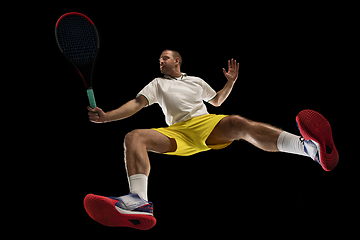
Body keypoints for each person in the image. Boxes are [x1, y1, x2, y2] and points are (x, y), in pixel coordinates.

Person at [83, 50, 339, 230]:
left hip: (205, 125)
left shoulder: (195, 81)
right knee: (134, 137)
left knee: (238, 123)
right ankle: (139, 201)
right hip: (177, 132)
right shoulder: (157, 84)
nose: (160, 61)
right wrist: (107, 117)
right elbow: (136, 104)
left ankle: (310, 150)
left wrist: (230, 83)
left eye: (164, 57)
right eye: (159, 58)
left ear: (177, 61)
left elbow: (216, 101)